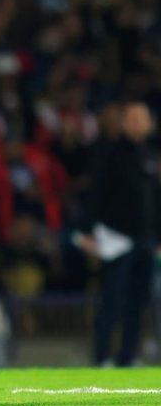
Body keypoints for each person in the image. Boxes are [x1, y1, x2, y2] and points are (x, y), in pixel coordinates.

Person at [78, 101, 161, 366]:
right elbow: (95, 193)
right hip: (116, 239)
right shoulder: (109, 153)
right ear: (123, 123)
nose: (136, 123)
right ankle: (102, 356)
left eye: (141, 118)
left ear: (150, 124)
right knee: (112, 300)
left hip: (146, 240)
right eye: (132, 118)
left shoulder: (151, 156)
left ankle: (128, 356)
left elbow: (155, 200)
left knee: (138, 302)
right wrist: (87, 230)